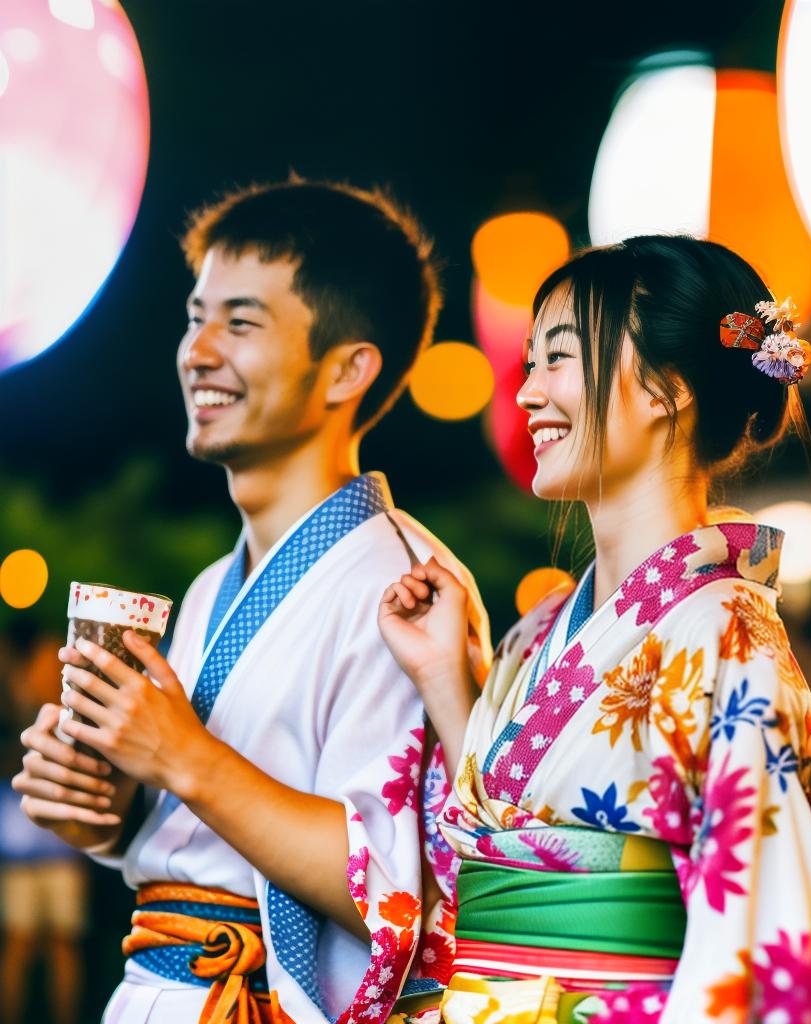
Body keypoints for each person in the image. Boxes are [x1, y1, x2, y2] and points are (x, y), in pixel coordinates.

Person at [379, 236, 811, 1022]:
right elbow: (505, 841)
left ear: (665, 388)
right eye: (527, 365)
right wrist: (444, 680)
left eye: (558, 358)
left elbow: (753, 938)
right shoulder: (540, 630)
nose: (524, 394)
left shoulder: (723, 630)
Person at [12, 179, 488, 1024]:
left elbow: (399, 886)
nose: (197, 350)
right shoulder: (207, 589)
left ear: (348, 368)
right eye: (196, 317)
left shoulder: (409, 590)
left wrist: (182, 756)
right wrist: (104, 809)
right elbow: (191, 836)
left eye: (240, 322)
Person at [1, 621, 88, 1024]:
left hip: (61, 843)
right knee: (19, 943)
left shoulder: (69, 713)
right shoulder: (10, 702)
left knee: (62, 944)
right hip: (19, 846)